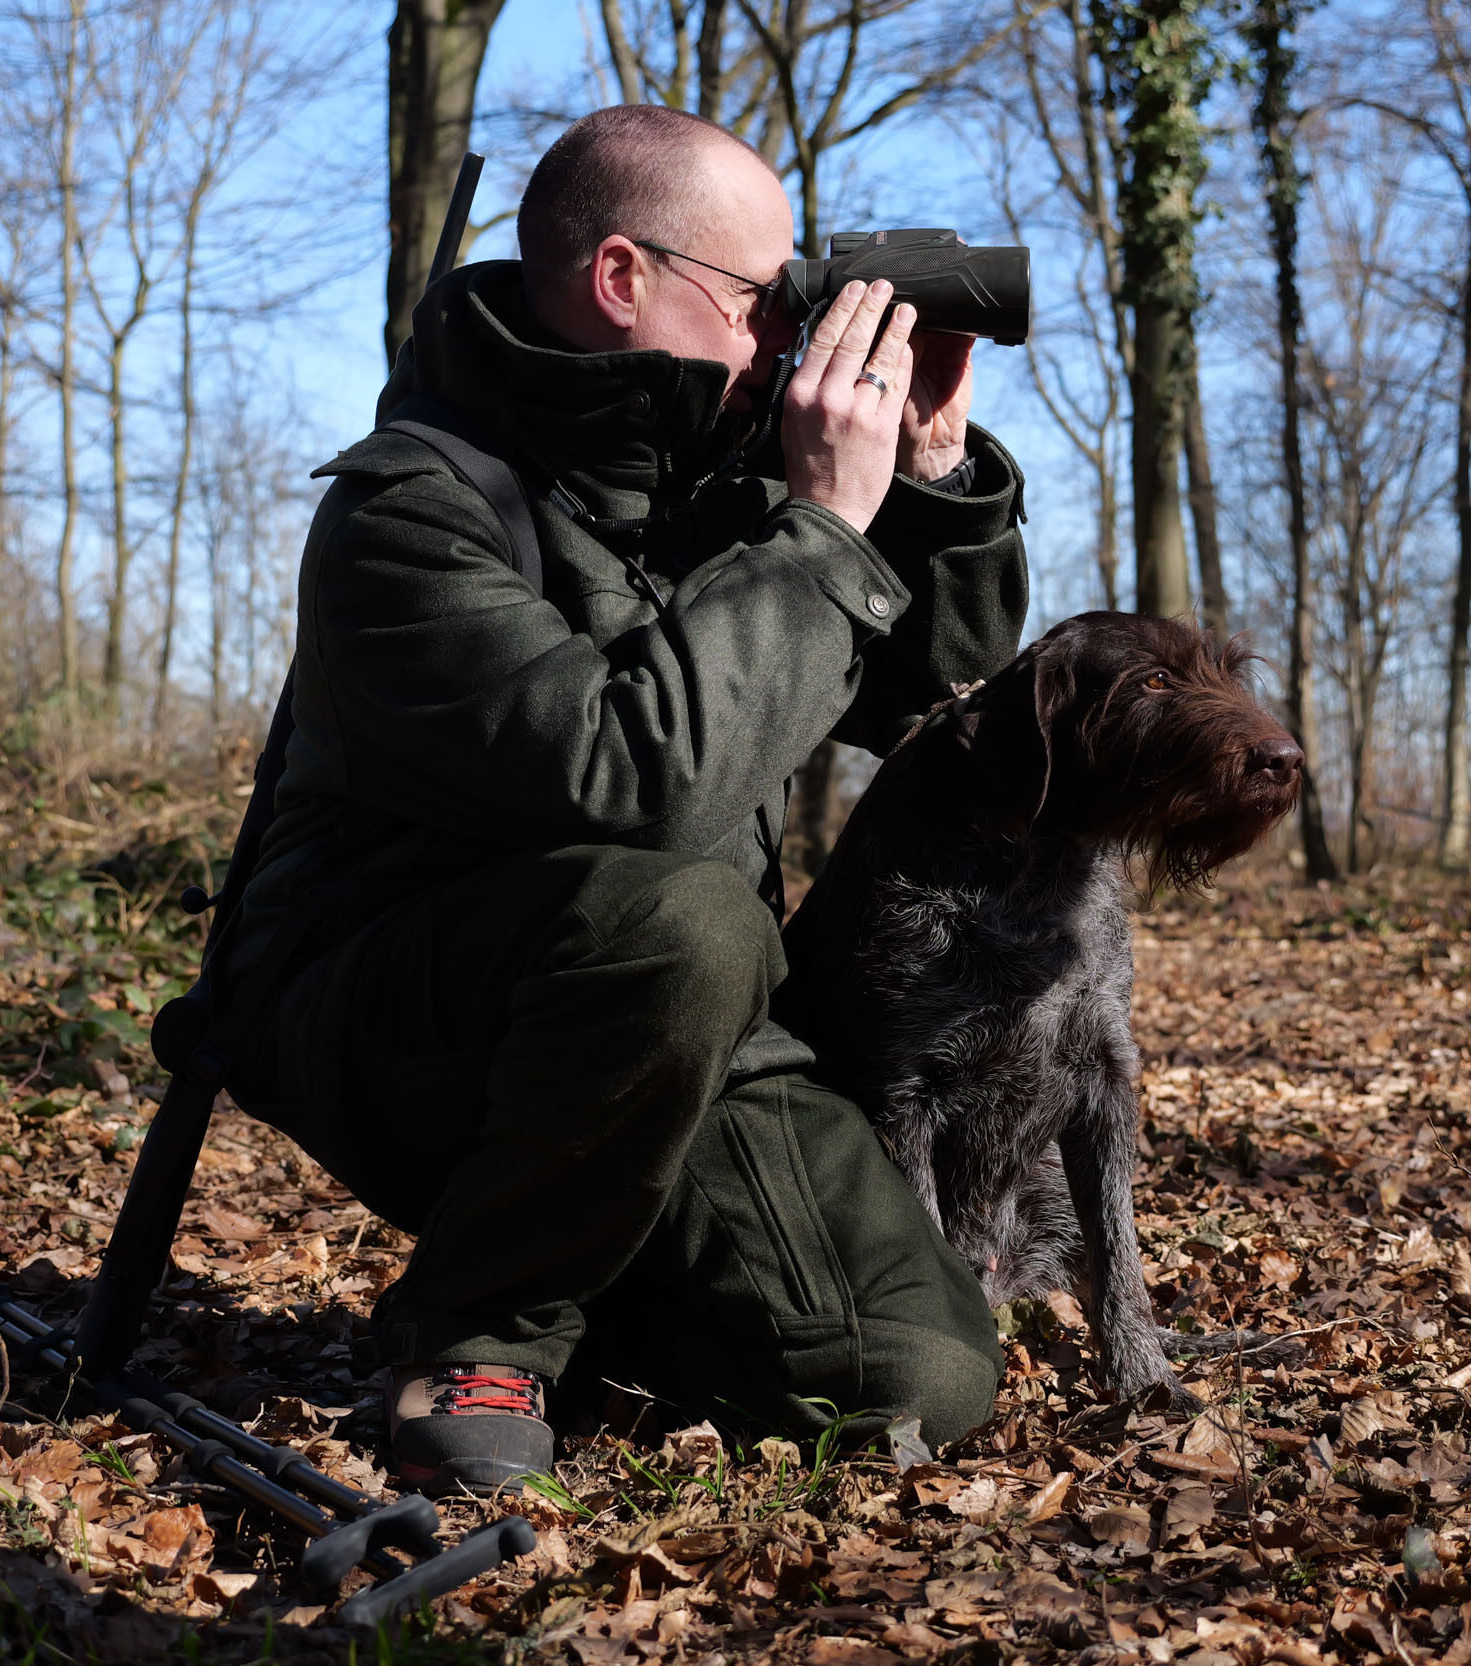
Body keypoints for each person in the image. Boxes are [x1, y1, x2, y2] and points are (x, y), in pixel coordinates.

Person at [216, 104, 1030, 1495]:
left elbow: (926, 703)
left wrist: (931, 478)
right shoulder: (416, 508)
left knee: (916, 1366)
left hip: (676, 1026)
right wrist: (825, 529)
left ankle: (591, 1286)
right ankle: (477, 1329)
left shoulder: (727, 491)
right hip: (399, 1016)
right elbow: (628, 782)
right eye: (767, 300)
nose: (791, 335)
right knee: (688, 918)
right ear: (620, 278)